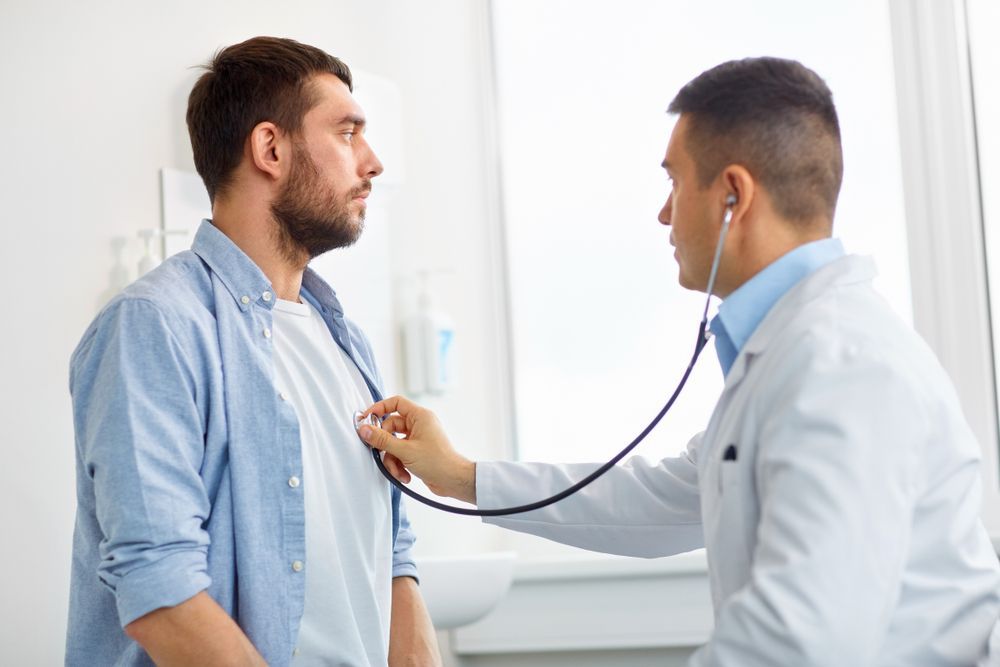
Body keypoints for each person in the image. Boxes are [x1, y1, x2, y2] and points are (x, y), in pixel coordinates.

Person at [358, 57, 1000, 665]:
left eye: (672, 180)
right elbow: (661, 499)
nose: (663, 212)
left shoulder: (841, 365)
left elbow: (800, 642)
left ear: (732, 197)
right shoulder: (791, 354)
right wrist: (463, 476)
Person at [67, 36, 441, 666]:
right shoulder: (154, 326)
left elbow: (394, 555)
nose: (372, 162)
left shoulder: (345, 341)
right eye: (348, 133)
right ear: (271, 148)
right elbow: (159, 588)